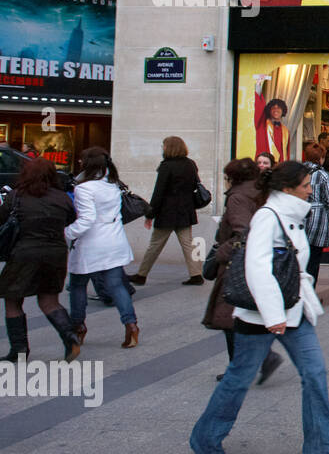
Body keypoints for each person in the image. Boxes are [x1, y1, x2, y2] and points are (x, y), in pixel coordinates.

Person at [189, 160, 329, 454]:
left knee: (314, 372)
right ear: (287, 188)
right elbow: (257, 267)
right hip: (262, 314)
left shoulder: (291, 214)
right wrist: (274, 314)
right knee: (238, 378)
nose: (310, 189)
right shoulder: (267, 217)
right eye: (305, 185)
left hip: (293, 309)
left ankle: (324, 443)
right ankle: (205, 438)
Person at [202, 158, 283, 384]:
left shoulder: (238, 197)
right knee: (243, 314)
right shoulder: (259, 191)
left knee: (229, 317)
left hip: (237, 264)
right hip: (255, 261)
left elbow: (243, 232)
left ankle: (243, 365)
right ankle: (260, 359)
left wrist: (222, 252)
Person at [1, 157, 80, 362]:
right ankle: (70, 337)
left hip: (24, 253)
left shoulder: (16, 196)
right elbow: (71, 219)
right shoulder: (62, 198)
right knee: (49, 300)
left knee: (13, 300)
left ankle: (18, 351)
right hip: (55, 253)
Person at [64, 147, 141, 350]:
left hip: (91, 243)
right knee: (116, 285)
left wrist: (67, 232)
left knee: (78, 285)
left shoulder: (84, 188)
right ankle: (131, 324)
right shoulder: (112, 184)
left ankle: (78, 326)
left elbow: (87, 220)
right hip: (114, 241)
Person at [129, 135, 204, 286]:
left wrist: (150, 214)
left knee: (155, 245)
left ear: (169, 148)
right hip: (185, 211)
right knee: (188, 244)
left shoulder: (166, 166)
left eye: (163, 146)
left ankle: (141, 275)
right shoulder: (190, 164)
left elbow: (159, 193)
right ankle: (196, 275)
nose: (162, 148)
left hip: (167, 212)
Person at [299, 142, 329, 285]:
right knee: (314, 260)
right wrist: (328, 221)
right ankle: (310, 293)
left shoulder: (298, 173)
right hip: (317, 219)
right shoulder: (323, 175)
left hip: (299, 218)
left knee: (300, 258)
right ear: (320, 158)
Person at [254, 97, 290, 164]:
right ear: (269, 111)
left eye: (278, 108)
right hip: (266, 164)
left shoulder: (286, 131)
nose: (276, 110)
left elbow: (287, 152)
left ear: (283, 111)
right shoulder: (263, 125)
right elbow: (258, 107)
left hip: (281, 166)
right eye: (273, 108)